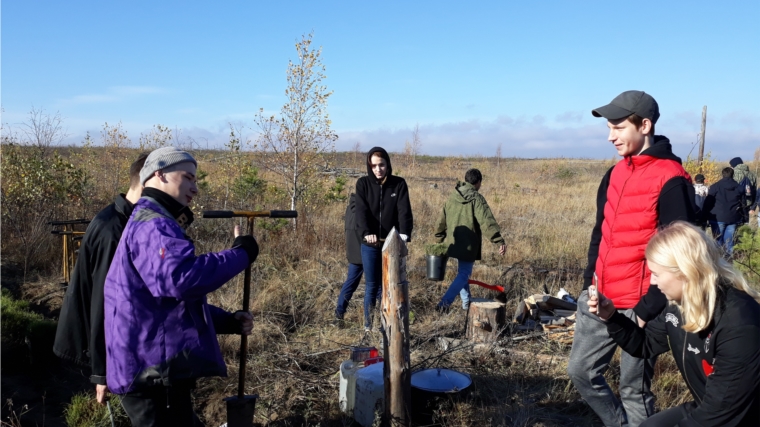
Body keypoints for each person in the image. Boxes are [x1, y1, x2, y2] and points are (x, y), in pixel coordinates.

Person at [104, 147, 259, 426]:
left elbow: (166, 307)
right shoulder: (154, 225)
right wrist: (241, 254)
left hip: (154, 369)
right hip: (151, 375)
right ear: (159, 173)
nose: (194, 188)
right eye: (188, 177)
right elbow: (181, 280)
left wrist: (227, 321)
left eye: (195, 180)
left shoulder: (154, 221)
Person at [568, 90, 696, 427]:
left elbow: (682, 253)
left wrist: (649, 308)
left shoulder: (671, 178)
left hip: (640, 305)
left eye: (619, 127)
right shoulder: (614, 174)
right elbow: (601, 232)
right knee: (580, 371)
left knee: (633, 390)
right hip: (601, 298)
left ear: (645, 125)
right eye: (609, 128)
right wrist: (588, 285)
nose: (611, 136)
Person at [589, 221, 760, 426]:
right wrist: (612, 317)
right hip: (709, 406)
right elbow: (645, 344)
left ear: (685, 272)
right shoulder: (679, 306)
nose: (652, 282)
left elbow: (720, 411)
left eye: (657, 274)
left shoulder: (739, 323)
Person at [54, 152, 148, 404]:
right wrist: (102, 373)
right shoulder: (114, 231)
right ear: (148, 183)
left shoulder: (122, 219)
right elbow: (103, 304)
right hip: (117, 360)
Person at [354, 147, 413, 331]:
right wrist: (366, 233)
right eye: (373, 166)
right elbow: (361, 212)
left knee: (389, 285)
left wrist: (403, 234)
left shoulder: (399, 184)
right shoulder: (363, 184)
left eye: (381, 165)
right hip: (370, 244)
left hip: (391, 244)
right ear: (369, 166)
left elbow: (404, 211)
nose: (378, 169)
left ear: (387, 164)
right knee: (372, 285)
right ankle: (368, 324)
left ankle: (386, 322)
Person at [433, 169, 506, 311]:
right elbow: (487, 222)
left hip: (452, 243)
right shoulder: (476, 198)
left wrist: (439, 238)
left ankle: (466, 305)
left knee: (462, 273)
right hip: (468, 245)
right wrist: (498, 240)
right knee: (464, 274)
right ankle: (444, 304)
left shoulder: (452, 196)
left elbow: (441, 220)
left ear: (466, 180)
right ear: (478, 182)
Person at [334, 193, 364, 325]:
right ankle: (379, 317)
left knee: (350, 284)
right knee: (377, 286)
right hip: (365, 251)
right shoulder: (363, 210)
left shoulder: (350, 208)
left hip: (353, 253)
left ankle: (339, 312)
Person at [703, 167, 745, 258]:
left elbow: (708, 203)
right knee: (729, 241)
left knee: (718, 240)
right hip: (733, 217)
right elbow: (743, 204)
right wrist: (744, 217)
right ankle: (729, 261)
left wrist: (705, 215)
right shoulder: (739, 188)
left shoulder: (715, 187)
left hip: (718, 217)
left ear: (722, 174)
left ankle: (718, 261)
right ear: (732, 175)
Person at [730, 157, 757, 224]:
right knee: (746, 222)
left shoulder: (733, 173)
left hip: (736, 201)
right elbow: (755, 189)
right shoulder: (752, 174)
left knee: (735, 223)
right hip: (749, 201)